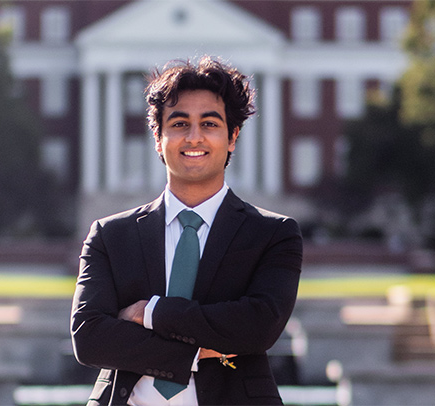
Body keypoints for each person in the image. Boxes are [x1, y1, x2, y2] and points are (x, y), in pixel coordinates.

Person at [71, 56, 303, 406]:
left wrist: (149, 313)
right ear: (158, 137)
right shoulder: (110, 235)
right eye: (179, 124)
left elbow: (258, 327)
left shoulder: (273, 235)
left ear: (232, 137)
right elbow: (89, 338)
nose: (194, 137)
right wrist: (193, 353)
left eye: (209, 124)